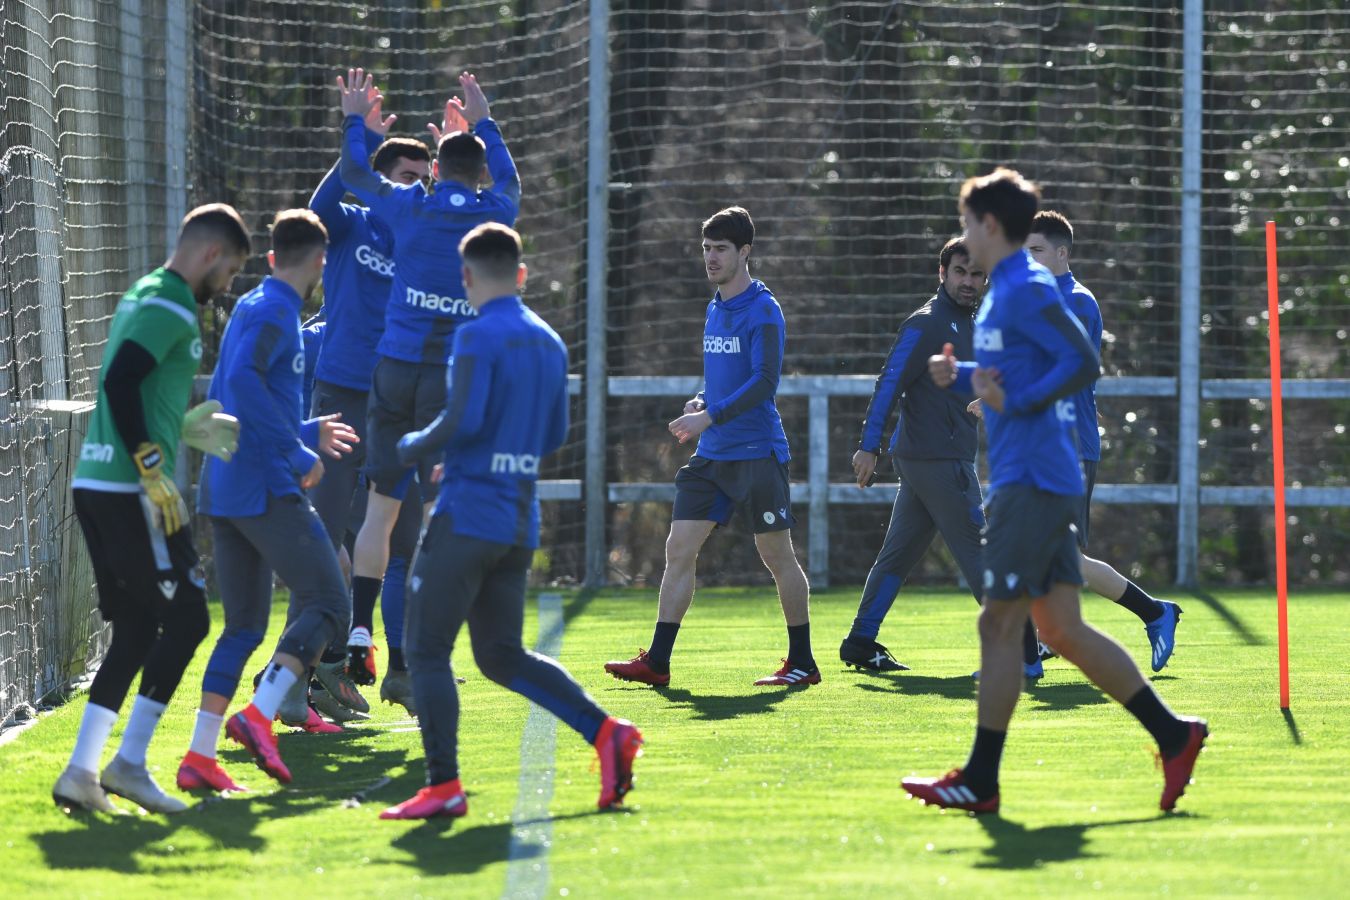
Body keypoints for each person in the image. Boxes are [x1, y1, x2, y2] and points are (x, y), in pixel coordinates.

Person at [903, 168, 1206, 814]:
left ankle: (980, 781)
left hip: (1034, 479)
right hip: (1031, 474)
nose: (962, 237)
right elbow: (999, 382)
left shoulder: (1030, 287)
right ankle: (1175, 736)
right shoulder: (1001, 295)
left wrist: (1018, 399)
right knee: (1061, 628)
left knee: (999, 622)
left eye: (965, 224)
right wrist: (959, 378)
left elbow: (1083, 362)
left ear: (988, 226)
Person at [382, 223, 641, 819]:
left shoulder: (474, 335)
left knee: (425, 650)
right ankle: (607, 733)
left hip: (467, 516)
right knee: (499, 655)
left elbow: (462, 420)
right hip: (517, 520)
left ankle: (442, 785)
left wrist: (408, 447)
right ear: (521, 275)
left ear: (467, 276)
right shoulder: (550, 341)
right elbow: (554, 435)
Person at [53, 204, 249, 814]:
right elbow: (119, 382)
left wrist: (175, 430)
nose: (229, 285)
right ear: (212, 255)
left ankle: (82, 773)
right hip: (131, 489)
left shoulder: (144, 291)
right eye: (233, 270)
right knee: (190, 618)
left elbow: (133, 384)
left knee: (139, 627)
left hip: (100, 482)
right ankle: (129, 764)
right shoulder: (170, 304)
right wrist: (148, 460)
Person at [335, 68, 519, 711]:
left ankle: (360, 624)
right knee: (440, 512)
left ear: (436, 170)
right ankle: (427, 640)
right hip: (448, 382)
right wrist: (485, 122)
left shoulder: (412, 204)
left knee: (380, 512)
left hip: (391, 372)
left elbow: (358, 177)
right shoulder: (496, 213)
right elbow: (512, 184)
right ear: (481, 171)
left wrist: (355, 120)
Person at [176, 209, 359, 792]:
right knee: (329, 601)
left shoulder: (255, 304)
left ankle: (200, 757)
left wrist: (305, 432)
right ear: (321, 263)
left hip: (226, 487)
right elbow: (249, 389)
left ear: (272, 256)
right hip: (263, 486)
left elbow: (242, 398)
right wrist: (297, 452)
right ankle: (258, 715)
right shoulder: (278, 310)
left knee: (245, 628)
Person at [605, 207, 816, 688]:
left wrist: (709, 415)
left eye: (720, 249)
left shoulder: (764, 309)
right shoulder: (714, 306)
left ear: (745, 252)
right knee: (678, 549)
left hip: (758, 454)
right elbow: (722, 377)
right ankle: (657, 661)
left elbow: (764, 382)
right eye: (706, 248)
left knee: (777, 557)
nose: (711, 258)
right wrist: (704, 399)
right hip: (713, 456)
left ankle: (803, 662)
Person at [839, 237, 1043, 678]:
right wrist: (868, 446)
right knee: (980, 550)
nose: (969, 282)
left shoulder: (976, 323)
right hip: (938, 460)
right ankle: (1018, 647)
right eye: (960, 273)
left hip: (928, 459)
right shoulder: (927, 323)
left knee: (897, 555)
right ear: (942, 274)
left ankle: (860, 640)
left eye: (976, 275)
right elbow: (888, 383)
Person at [304, 79, 431, 717]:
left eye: (424, 179)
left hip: (398, 403)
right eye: (406, 176)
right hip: (342, 395)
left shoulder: (421, 237)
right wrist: (359, 141)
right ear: (378, 178)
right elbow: (316, 209)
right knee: (326, 533)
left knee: (404, 539)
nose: (416, 188)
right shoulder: (352, 224)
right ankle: (314, 665)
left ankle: (398, 667)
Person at [1023, 211, 1182, 671]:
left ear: (1061, 254)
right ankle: (1036, 648)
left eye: (1036, 250)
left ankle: (1155, 612)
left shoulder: (1075, 301)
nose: (1027, 259)